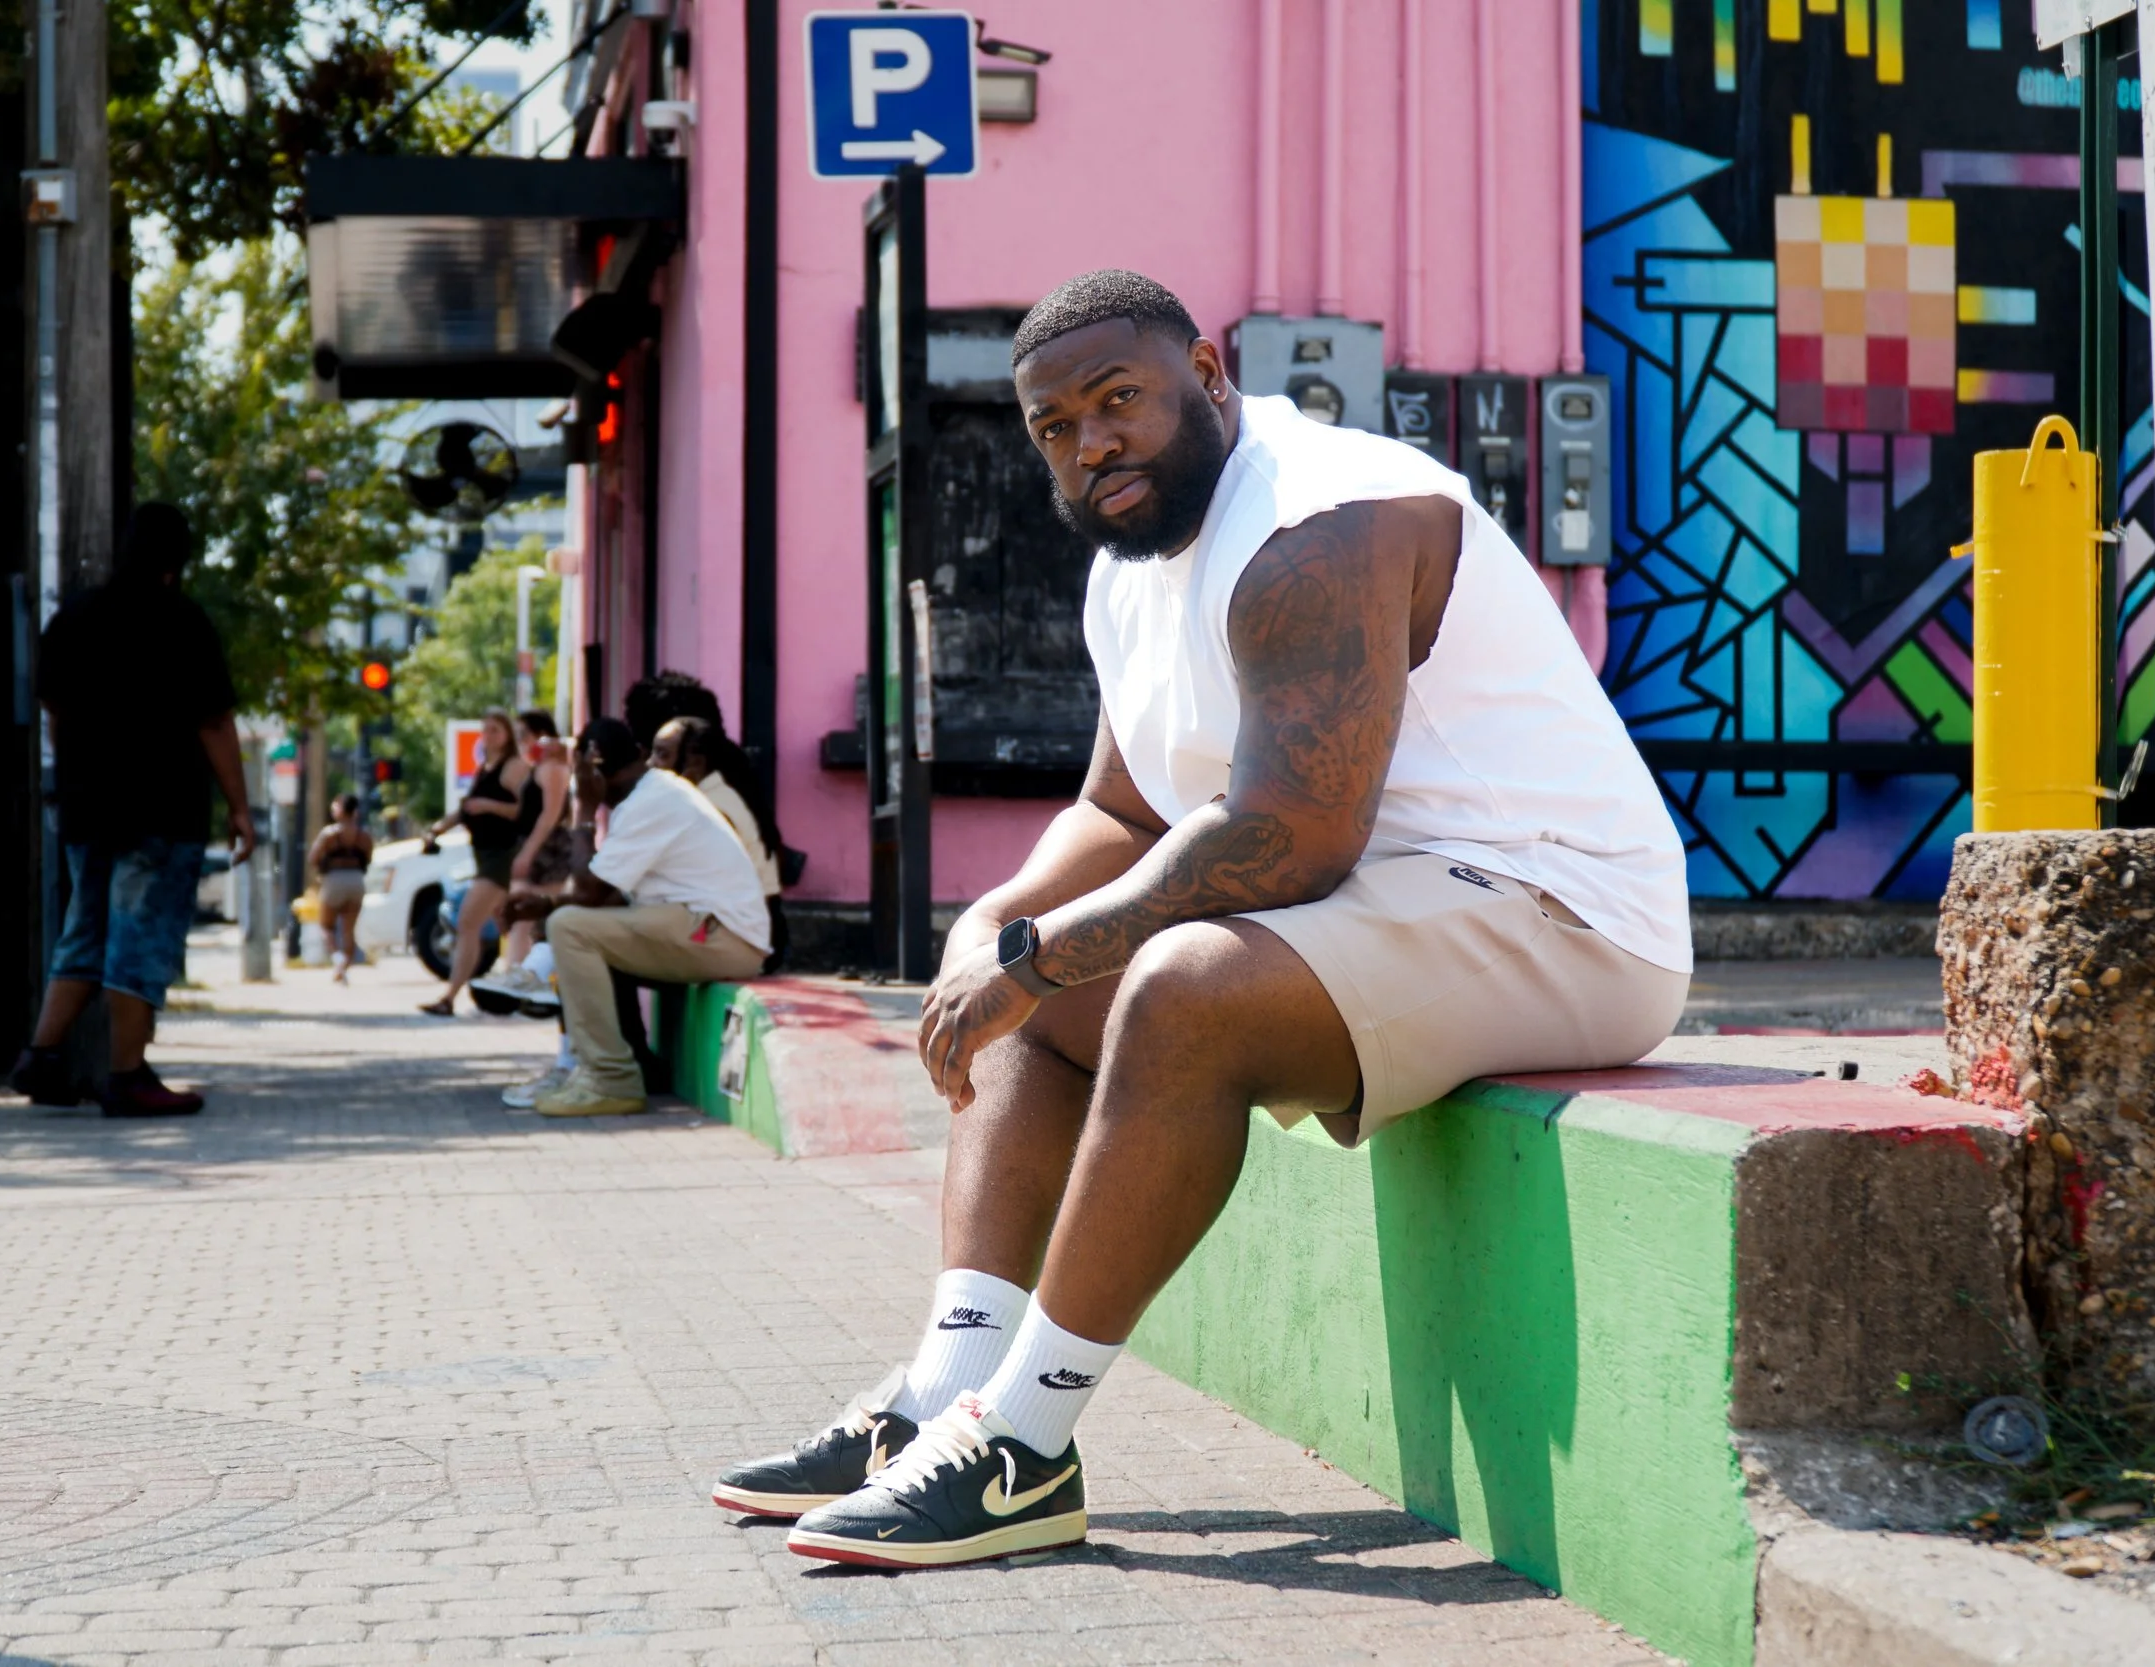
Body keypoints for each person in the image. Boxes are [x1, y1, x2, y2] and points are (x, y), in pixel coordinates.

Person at [713, 271, 1692, 1568]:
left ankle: (1023, 1443)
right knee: (1028, 975)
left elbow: (1291, 833)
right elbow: (1121, 808)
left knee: (1171, 984)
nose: (1091, 444)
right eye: (1056, 427)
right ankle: (940, 1394)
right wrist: (1002, 924)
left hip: (1562, 911)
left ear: (1210, 372)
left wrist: (1050, 948)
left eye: (1119, 401)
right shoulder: (1133, 565)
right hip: (1388, 909)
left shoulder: (1318, 518)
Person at [9, 501, 256, 1116]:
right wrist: (240, 810)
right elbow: (214, 722)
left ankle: (41, 1057)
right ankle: (128, 1075)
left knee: (86, 929)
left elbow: (54, 709)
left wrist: (76, 777)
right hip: (160, 807)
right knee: (137, 940)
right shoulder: (183, 622)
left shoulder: (75, 618)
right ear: (176, 564)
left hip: (87, 806)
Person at [501, 716, 770, 1118]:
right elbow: (603, 898)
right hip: (708, 931)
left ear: (592, 769)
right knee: (583, 928)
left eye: (579, 774)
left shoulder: (652, 801)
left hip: (722, 937)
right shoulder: (651, 796)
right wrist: (546, 905)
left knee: (570, 929)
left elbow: (589, 892)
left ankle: (610, 1079)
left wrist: (585, 810)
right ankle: (640, 1069)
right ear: (639, 755)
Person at [650, 716, 790, 973]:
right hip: (734, 930)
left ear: (695, 764)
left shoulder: (713, 809)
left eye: (662, 755)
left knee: (610, 939)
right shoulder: (704, 798)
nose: (651, 764)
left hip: (742, 938)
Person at [418, 709, 529, 1017]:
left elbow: (525, 810)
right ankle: (520, 990)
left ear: (507, 734)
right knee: (512, 926)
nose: (489, 735)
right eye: (486, 729)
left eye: (496, 729)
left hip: (502, 856)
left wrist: (490, 806)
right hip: (483, 855)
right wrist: (438, 828)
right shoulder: (485, 768)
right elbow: (466, 809)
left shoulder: (513, 767)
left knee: (467, 922)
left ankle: (450, 997)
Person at [481, 711, 573, 1002]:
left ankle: (519, 980)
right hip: (532, 846)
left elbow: (550, 815)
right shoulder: (536, 769)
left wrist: (528, 852)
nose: (521, 742)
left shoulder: (553, 770)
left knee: (525, 912)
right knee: (523, 917)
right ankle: (521, 978)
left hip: (548, 850)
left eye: (525, 735)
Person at [309, 793, 376, 983]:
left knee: (325, 926)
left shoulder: (329, 834)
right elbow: (368, 859)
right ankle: (343, 967)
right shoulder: (364, 836)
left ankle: (337, 958)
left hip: (333, 880)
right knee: (349, 930)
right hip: (356, 881)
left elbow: (313, 858)